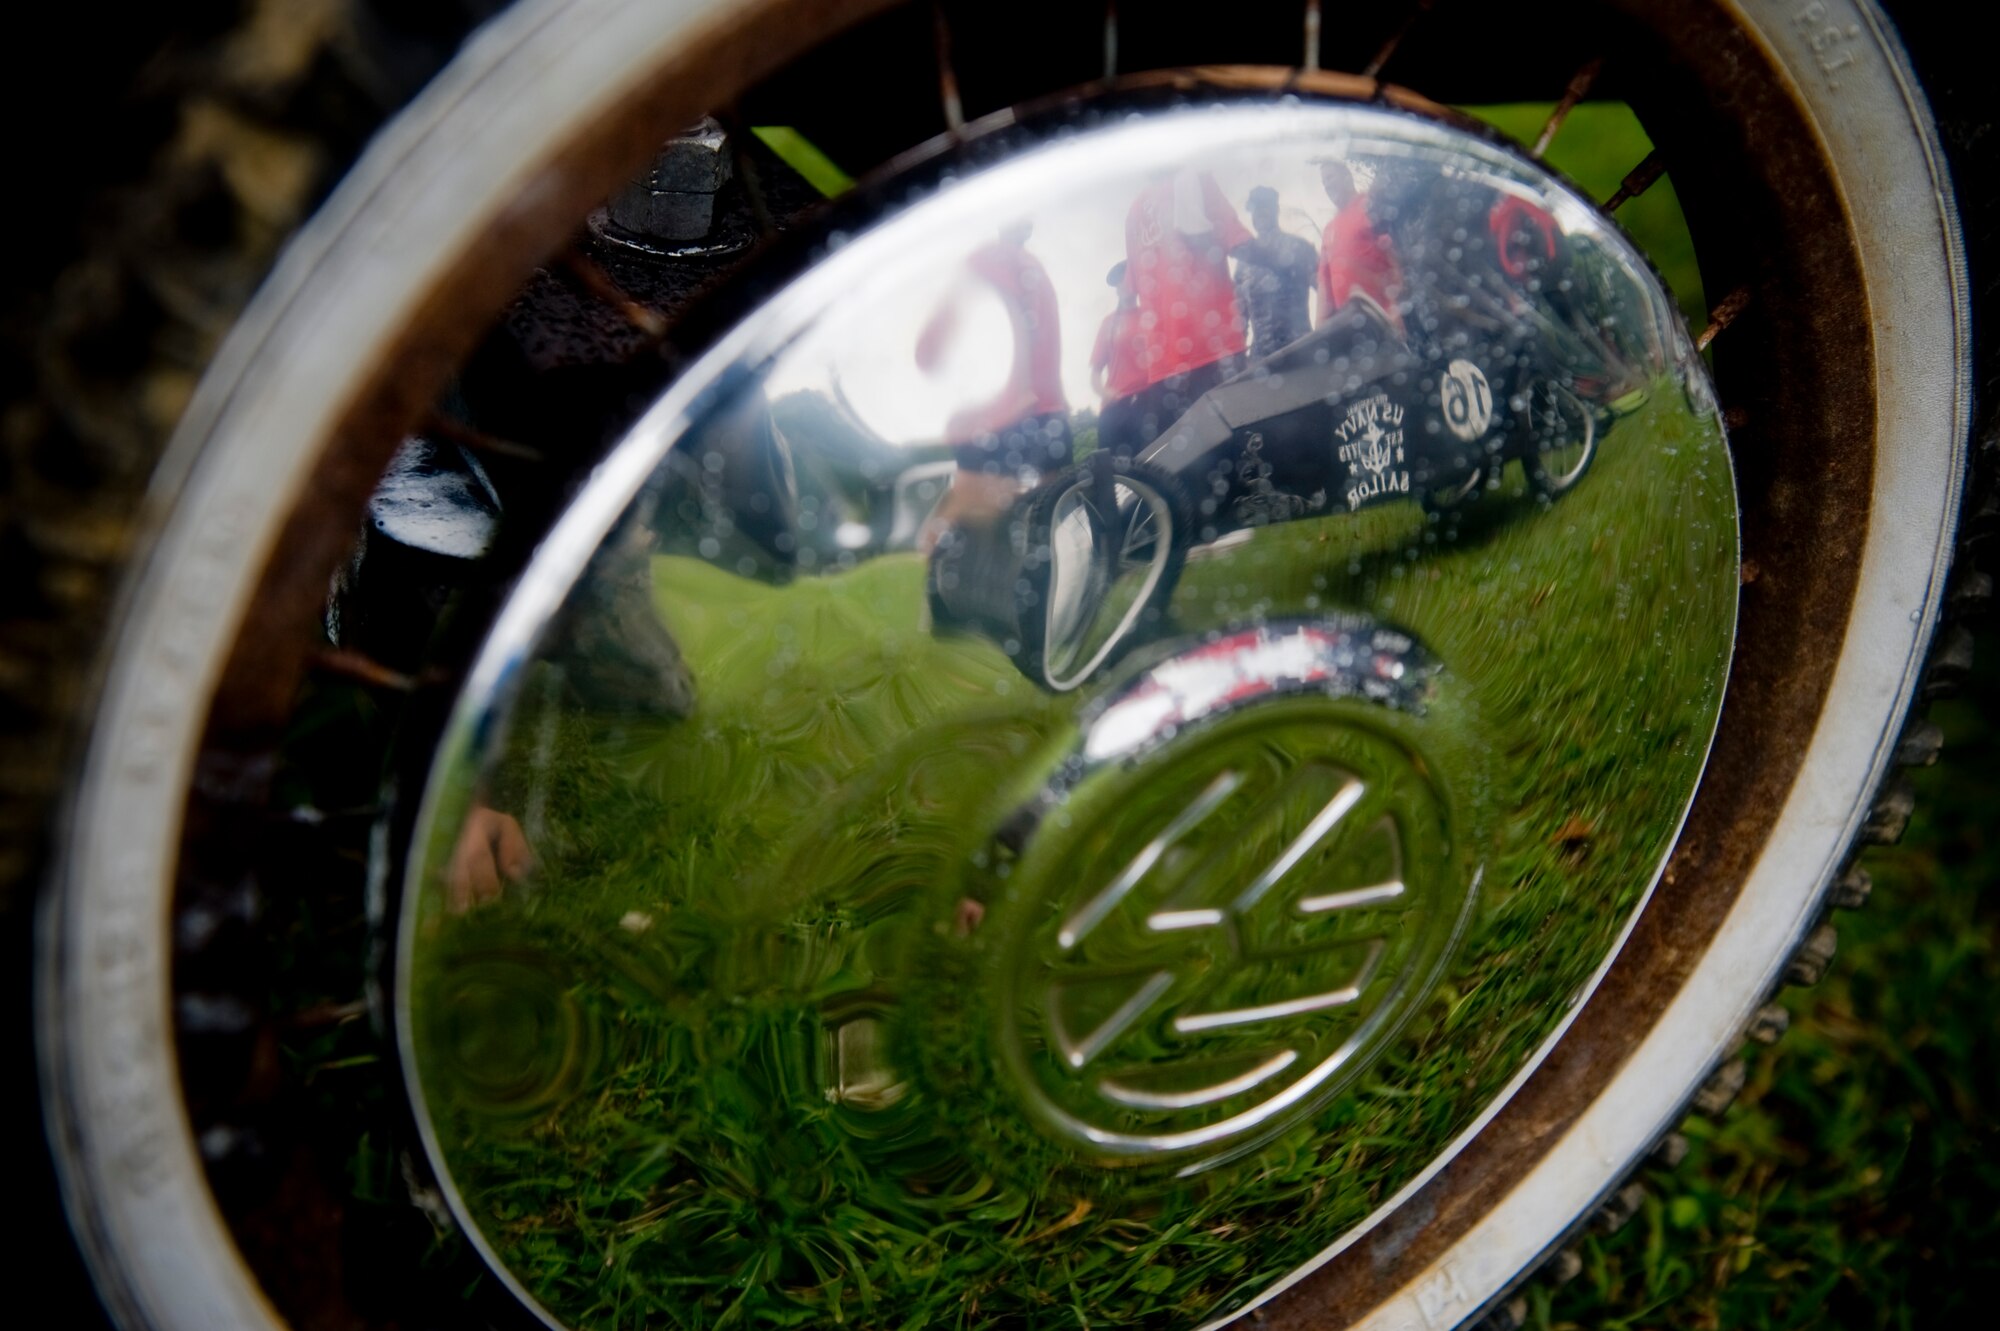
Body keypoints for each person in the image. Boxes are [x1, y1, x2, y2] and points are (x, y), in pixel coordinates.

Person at [916, 219, 1069, 541]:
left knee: (968, 528)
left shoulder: (992, 259)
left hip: (1004, 413)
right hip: (1044, 409)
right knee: (1043, 521)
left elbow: (932, 347)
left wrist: (930, 355)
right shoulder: (1034, 268)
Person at [1121, 168, 1252, 445]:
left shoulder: (1134, 212)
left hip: (1163, 371)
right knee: (1243, 453)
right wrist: (1286, 261)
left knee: (1186, 463)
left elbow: (1134, 287)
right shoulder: (1194, 177)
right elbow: (1240, 245)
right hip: (1216, 353)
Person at [1316, 159, 1404, 331]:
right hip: (1349, 329)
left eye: (1330, 177)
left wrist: (1396, 310)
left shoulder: (1370, 205)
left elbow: (1395, 258)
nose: (1327, 185)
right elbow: (1324, 287)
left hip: (1383, 321)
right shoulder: (1329, 230)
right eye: (1324, 182)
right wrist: (1319, 333)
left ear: (1347, 177)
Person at [1232, 184, 1317, 355]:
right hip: (1262, 360)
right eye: (1254, 209)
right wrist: (1238, 357)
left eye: (1264, 206)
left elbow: (1326, 291)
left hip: (1301, 352)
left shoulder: (1299, 248)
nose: (1259, 213)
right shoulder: (1244, 262)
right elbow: (1239, 317)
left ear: (1276, 209)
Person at [1089, 261, 1150, 457]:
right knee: (1114, 470)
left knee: (1151, 464)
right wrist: (1105, 393)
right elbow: (1095, 373)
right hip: (1115, 407)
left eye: (1127, 278)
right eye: (1119, 281)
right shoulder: (1109, 323)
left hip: (1148, 402)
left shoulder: (1151, 315)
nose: (1124, 284)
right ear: (1116, 289)